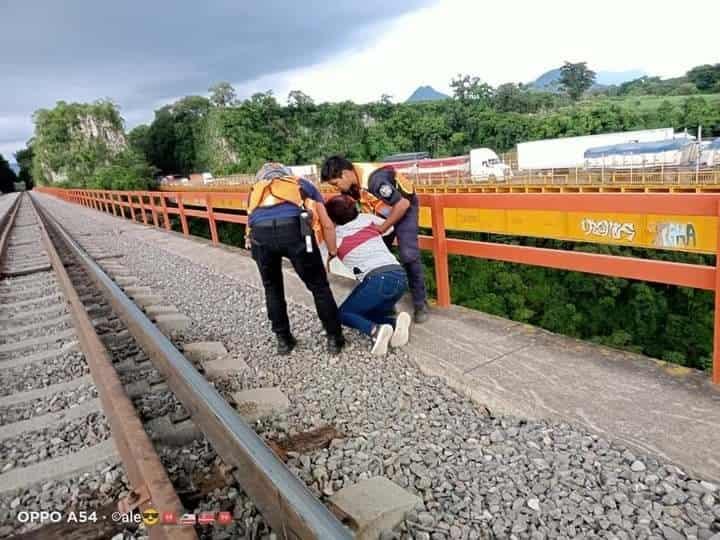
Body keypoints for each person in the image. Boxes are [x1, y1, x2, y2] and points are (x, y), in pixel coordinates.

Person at [246, 162, 345, 355]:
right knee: (318, 286)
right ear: (285, 174)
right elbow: (326, 223)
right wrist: (332, 251)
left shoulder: (255, 191)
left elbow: (249, 222)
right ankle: (334, 338)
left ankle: (283, 341)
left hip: (260, 236)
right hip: (294, 231)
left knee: (272, 287)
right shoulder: (301, 184)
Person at [320, 156, 429, 323]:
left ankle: (420, 303)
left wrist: (383, 227)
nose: (336, 188)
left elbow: (402, 205)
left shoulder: (375, 180)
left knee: (408, 254)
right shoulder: (349, 186)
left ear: (346, 174)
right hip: (381, 210)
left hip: (404, 207)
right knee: (378, 253)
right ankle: (385, 302)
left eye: (335, 183)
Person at [325, 194, 412, 355]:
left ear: (331, 219)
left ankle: (376, 331)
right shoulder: (367, 219)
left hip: (377, 280)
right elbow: (389, 228)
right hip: (399, 275)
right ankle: (394, 323)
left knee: (343, 314)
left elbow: (328, 253)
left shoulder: (335, 237)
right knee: (369, 312)